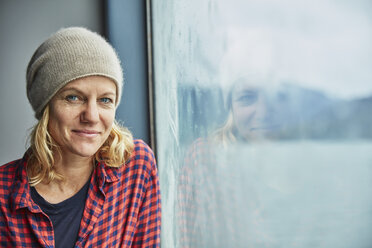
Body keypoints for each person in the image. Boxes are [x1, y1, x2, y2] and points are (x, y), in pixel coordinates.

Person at [0, 27, 161, 247]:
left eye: (105, 100)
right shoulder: (3, 193)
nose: (92, 116)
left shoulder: (136, 166)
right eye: (74, 97)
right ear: (46, 106)